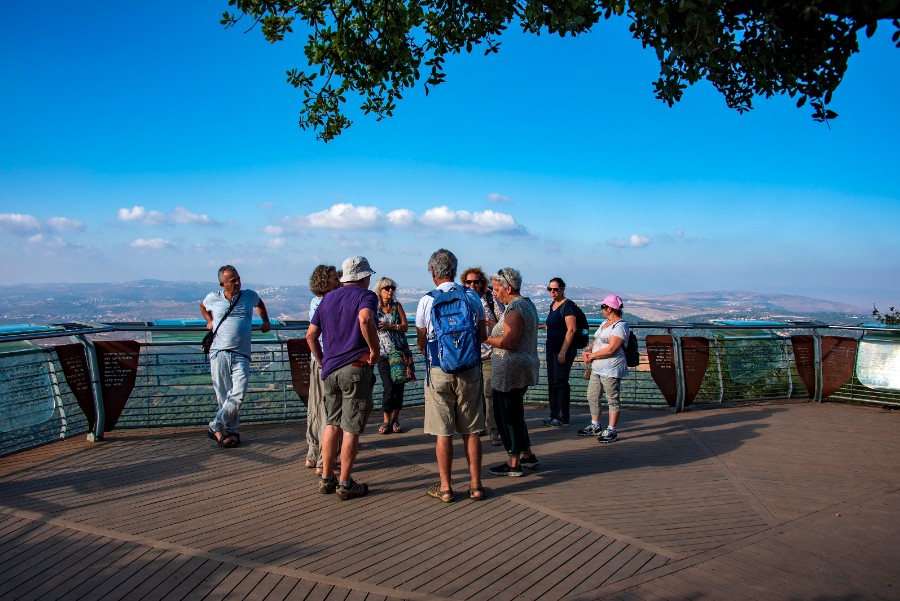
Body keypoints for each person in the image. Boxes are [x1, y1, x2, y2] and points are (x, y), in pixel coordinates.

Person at [306, 256, 380, 500]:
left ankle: (327, 477)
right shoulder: (366, 296)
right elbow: (365, 319)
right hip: (355, 368)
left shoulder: (327, 298)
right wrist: (374, 349)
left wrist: (322, 361)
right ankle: (346, 482)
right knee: (351, 428)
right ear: (363, 277)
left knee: (332, 424)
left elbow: (311, 335)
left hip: (330, 370)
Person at [416, 249, 486, 502]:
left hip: (439, 371)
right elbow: (481, 334)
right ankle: (476, 485)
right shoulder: (471, 296)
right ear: (455, 271)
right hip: (470, 369)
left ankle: (446, 488)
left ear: (433, 272)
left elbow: (422, 342)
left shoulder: (426, 300)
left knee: (442, 432)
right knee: (472, 431)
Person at [200, 265, 271, 448]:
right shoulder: (213, 298)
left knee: (238, 394)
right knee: (224, 396)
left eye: (238, 278)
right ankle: (231, 432)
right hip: (219, 352)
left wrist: (265, 320)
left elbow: (260, 304)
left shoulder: (249, 295)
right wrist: (209, 321)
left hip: (241, 352)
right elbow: (202, 305)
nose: (238, 282)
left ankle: (215, 426)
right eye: (233, 280)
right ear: (223, 284)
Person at [486, 267, 540, 476]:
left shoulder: (515, 308)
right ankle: (527, 455)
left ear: (508, 288)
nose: (494, 292)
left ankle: (513, 461)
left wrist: (484, 338)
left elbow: (509, 342)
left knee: (506, 414)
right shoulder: (527, 304)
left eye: (496, 288)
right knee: (516, 413)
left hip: (510, 369)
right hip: (522, 367)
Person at [461, 267, 505, 447]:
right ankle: (479, 426)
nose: (472, 285)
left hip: (488, 354)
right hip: (468, 355)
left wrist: (488, 323)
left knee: (489, 393)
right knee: (473, 394)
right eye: (469, 282)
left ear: (482, 283)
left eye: (476, 281)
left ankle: (494, 430)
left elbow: (504, 325)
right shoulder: (461, 300)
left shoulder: (490, 300)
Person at [579, 294, 630, 443]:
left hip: (611, 367)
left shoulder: (620, 326)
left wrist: (592, 356)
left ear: (610, 308)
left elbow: (611, 349)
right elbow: (597, 341)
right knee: (592, 396)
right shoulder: (605, 323)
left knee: (612, 399)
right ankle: (595, 425)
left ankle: (612, 429)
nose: (601, 309)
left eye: (603, 306)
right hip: (598, 367)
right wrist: (587, 349)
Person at [305, 264, 340, 472]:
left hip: (316, 360)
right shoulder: (329, 303)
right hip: (328, 361)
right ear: (326, 281)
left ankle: (313, 452)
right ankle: (324, 461)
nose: (339, 281)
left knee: (315, 408)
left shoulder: (314, 302)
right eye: (335, 278)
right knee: (330, 412)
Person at [374, 276, 410, 434]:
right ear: (379, 291)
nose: (390, 291)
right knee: (388, 387)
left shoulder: (397, 307)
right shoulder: (374, 309)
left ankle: (395, 419)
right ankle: (386, 420)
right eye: (387, 288)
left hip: (399, 352)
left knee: (399, 387)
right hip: (383, 354)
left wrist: (390, 326)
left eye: (392, 288)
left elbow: (405, 327)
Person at [542, 277, 578, 427]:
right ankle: (554, 414)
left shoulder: (567, 306)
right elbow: (554, 325)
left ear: (562, 289)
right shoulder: (553, 305)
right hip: (552, 350)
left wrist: (563, 352)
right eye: (549, 289)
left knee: (560, 382)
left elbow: (571, 330)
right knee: (553, 382)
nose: (552, 292)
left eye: (555, 289)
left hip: (562, 351)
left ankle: (562, 416)